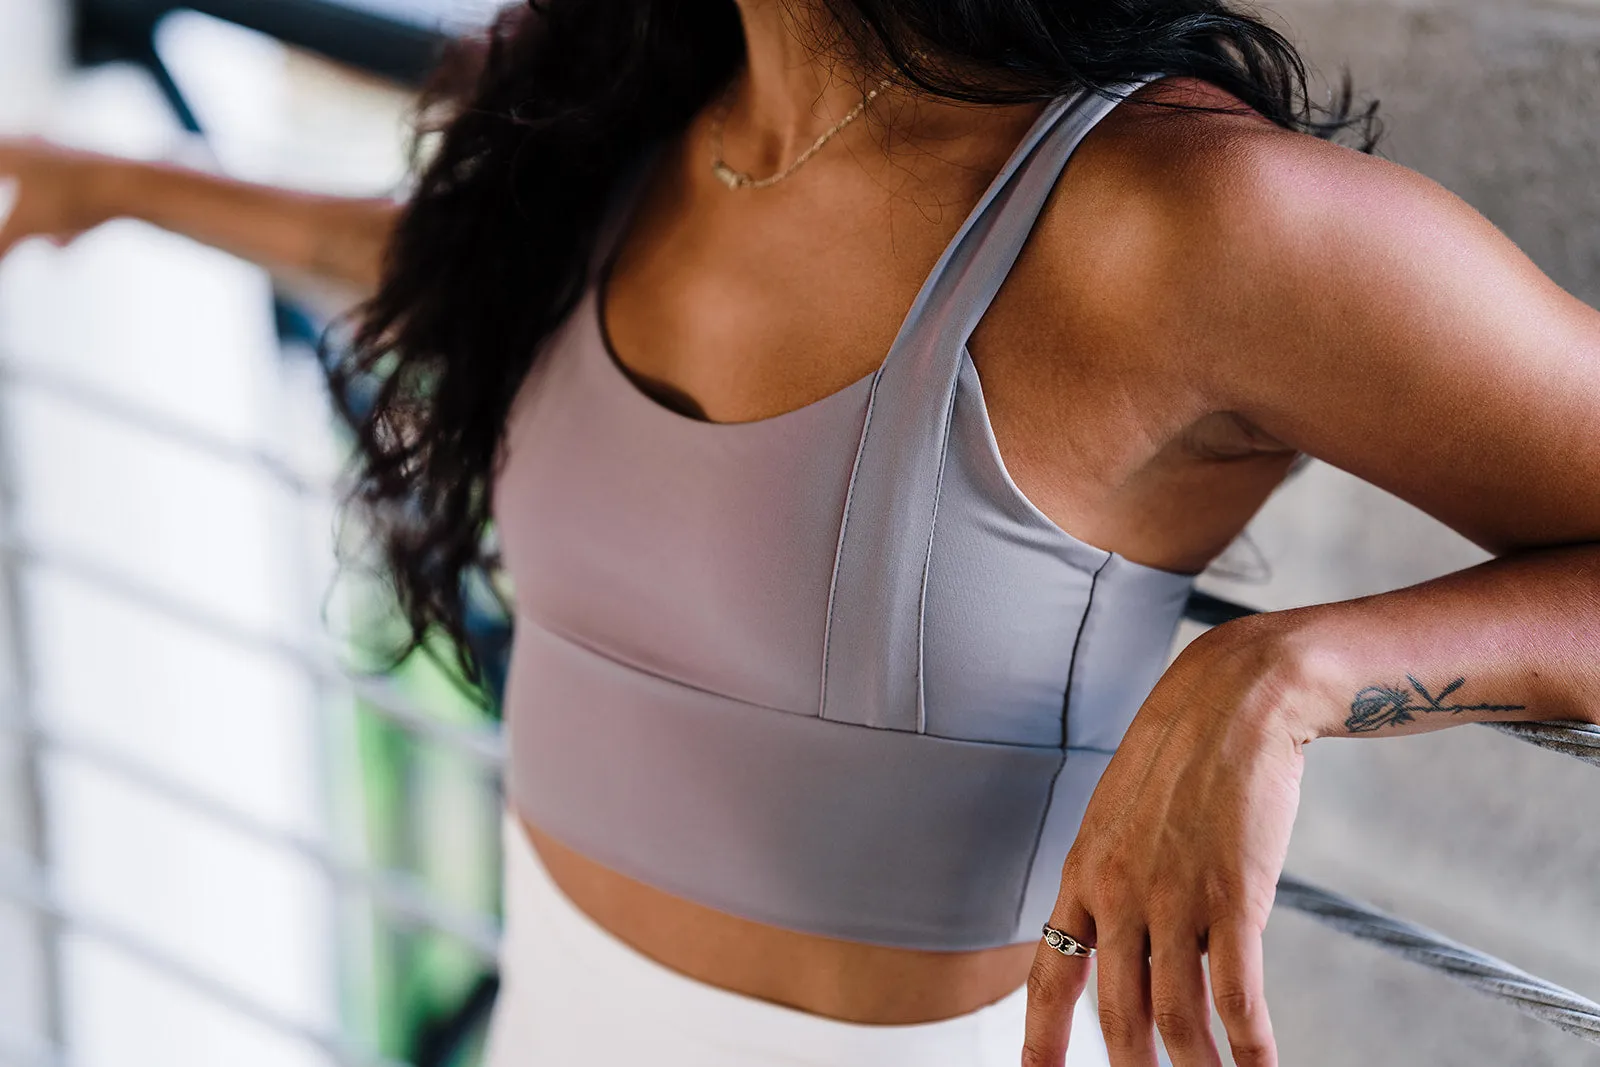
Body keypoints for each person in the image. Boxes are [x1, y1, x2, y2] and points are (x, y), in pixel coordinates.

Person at [3, 0, 1598, 1064]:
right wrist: (132, 187)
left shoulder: (1183, 221)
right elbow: (455, 272)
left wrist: (1296, 669)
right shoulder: (631, 111)